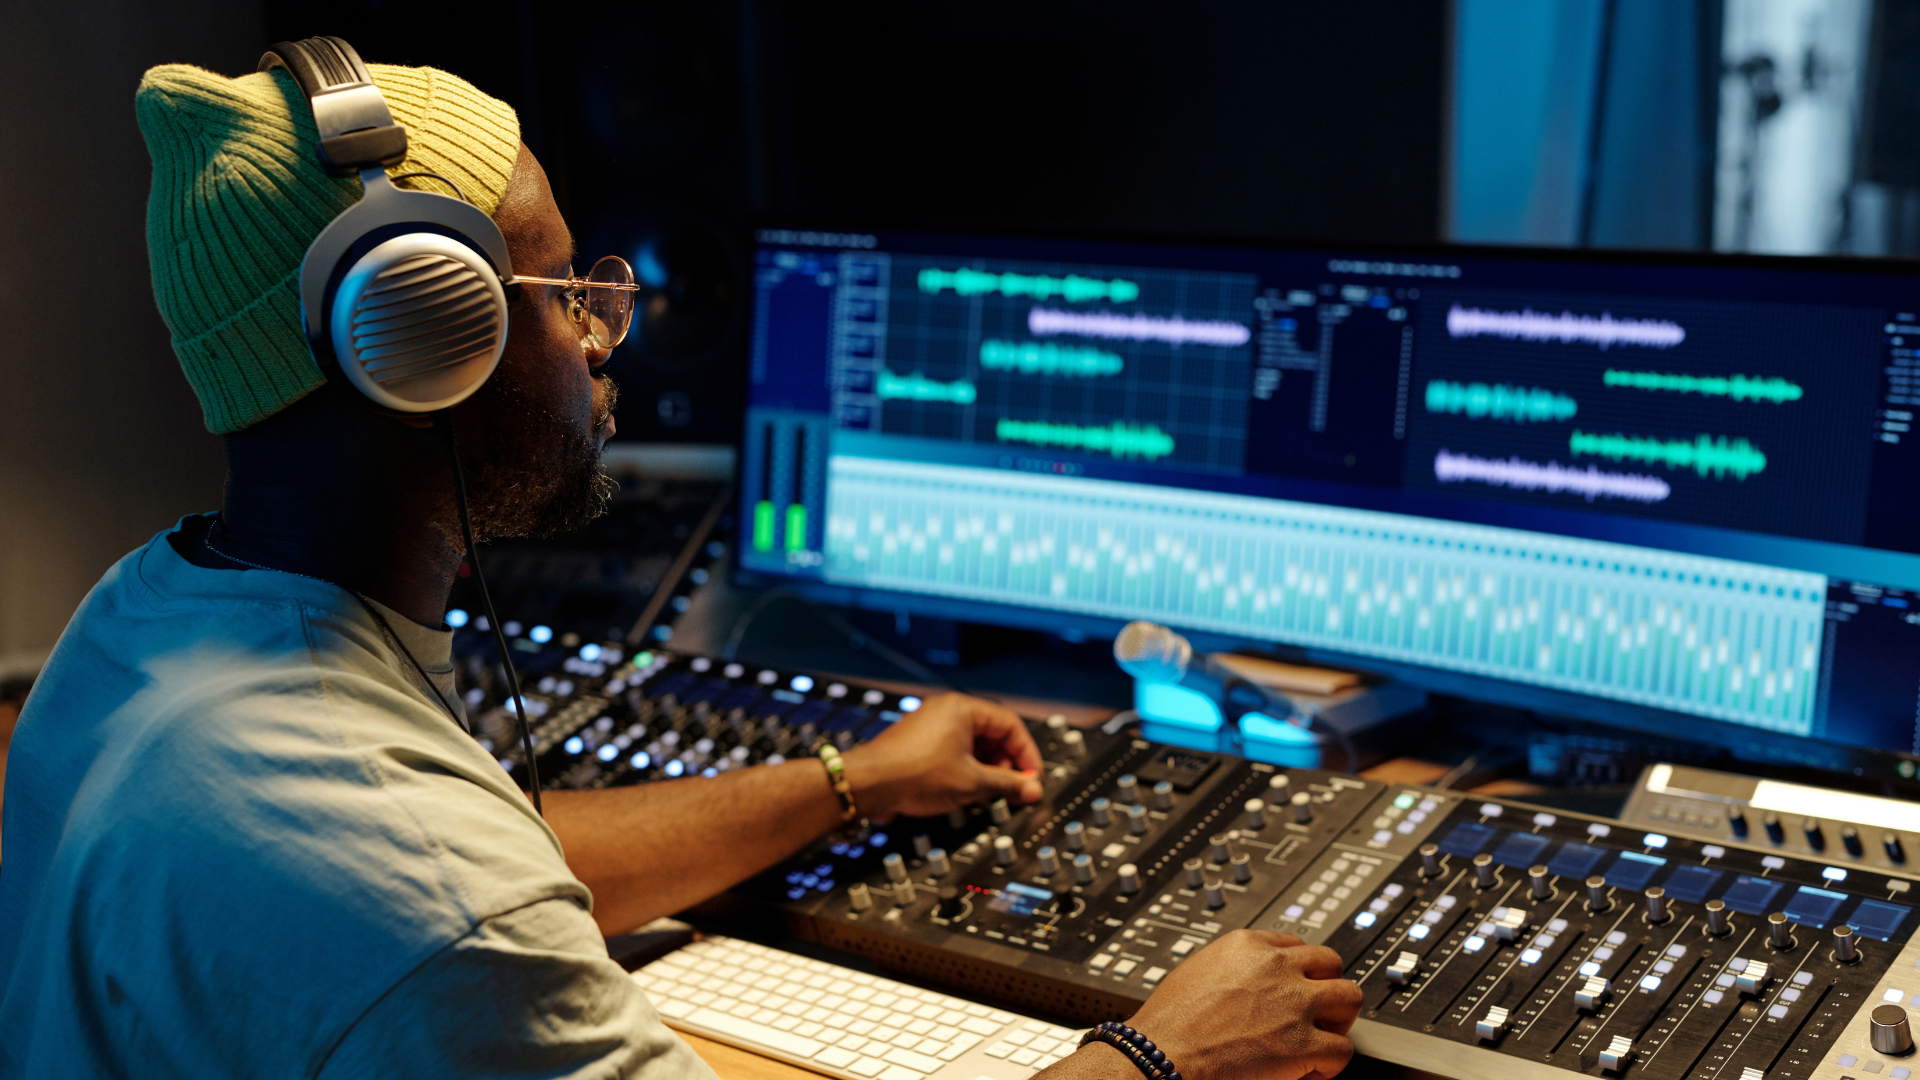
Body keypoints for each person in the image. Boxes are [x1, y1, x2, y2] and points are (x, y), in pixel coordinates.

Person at [0, 52, 1362, 1079]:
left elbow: (512, 861)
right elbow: (452, 897)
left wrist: (853, 780)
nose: (605, 333)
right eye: (561, 295)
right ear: (417, 346)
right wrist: (1163, 1054)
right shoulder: (423, 893)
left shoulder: (147, 619)